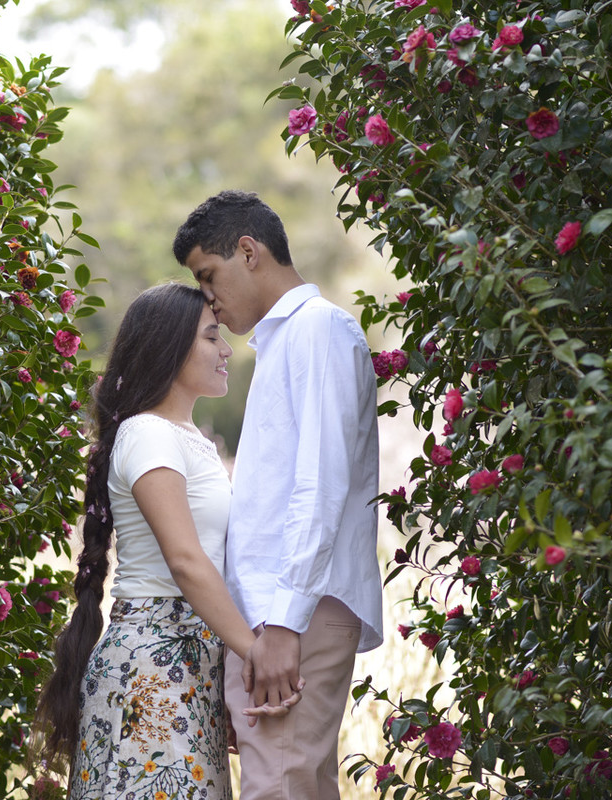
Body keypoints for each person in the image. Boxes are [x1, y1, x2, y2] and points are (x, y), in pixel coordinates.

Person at [31, 282, 294, 799]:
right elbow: (185, 560)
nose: (226, 350)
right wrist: (257, 651)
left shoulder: (189, 439)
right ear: (169, 346)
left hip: (188, 662)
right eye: (212, 337)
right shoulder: (148, 434)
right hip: (152, 664)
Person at [173, 190, 384, 799]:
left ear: (248, 251)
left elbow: (320, 486)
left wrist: (283, 629)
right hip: (275, 617)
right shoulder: (281, 343)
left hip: (297, 613)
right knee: (295, 784)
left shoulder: (317, 331)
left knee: (280, 787)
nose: (207, 296)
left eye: (208, 275)